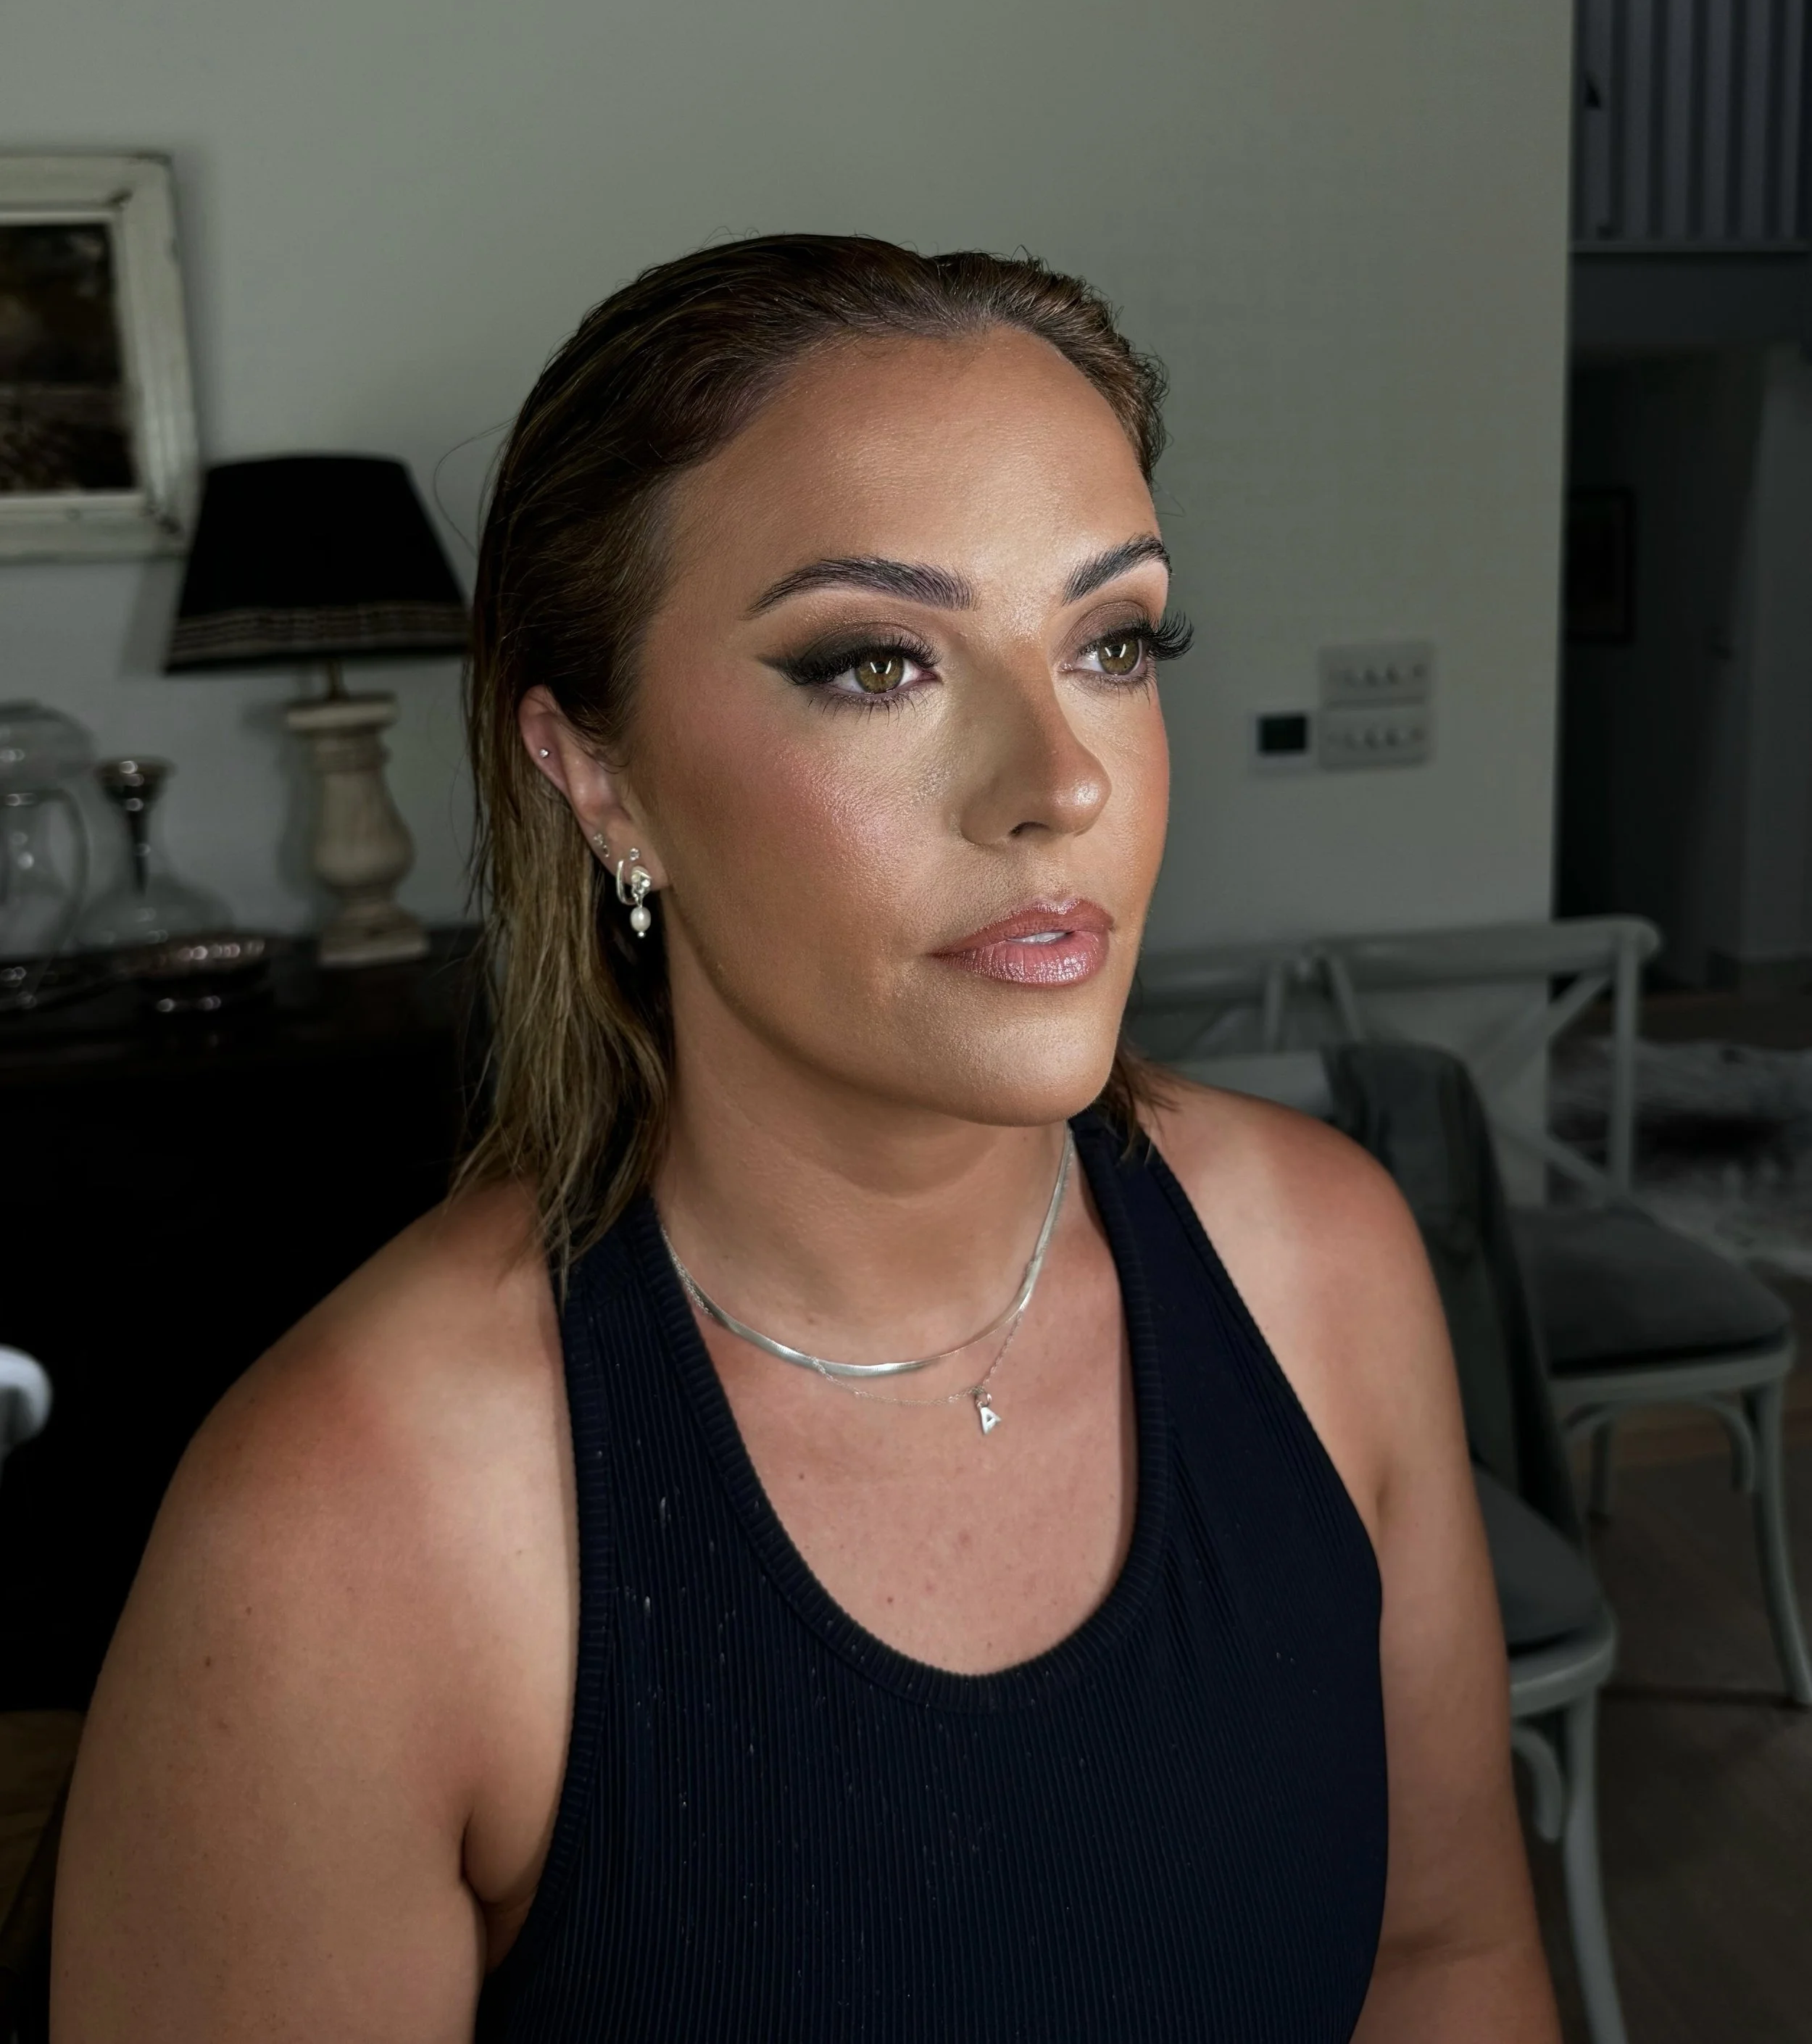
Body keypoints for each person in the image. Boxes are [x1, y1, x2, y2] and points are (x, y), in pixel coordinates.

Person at [54, 236, 1560, 2042]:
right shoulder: (357, 1524)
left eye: (1110, 640)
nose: (1060, 780)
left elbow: (1443, 1954)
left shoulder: (1319, 1261)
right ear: (595, 770)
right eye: (872, 666)